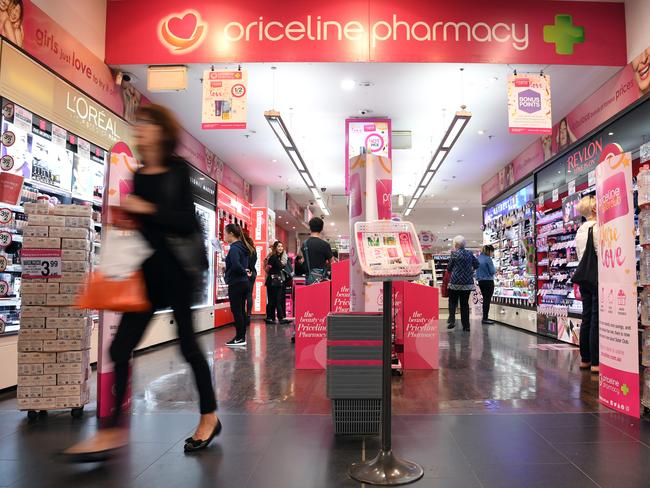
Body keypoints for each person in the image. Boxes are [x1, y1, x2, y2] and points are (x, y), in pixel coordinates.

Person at [63, 104, 219, 459]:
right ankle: (113, 432)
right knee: (119, 349)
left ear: (162, 131)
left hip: (180, 272)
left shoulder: (177, 170)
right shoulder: (142, 175)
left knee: (188, 347)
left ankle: (209, 417)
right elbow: (144, 231)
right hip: (147, 275)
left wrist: (146, 210)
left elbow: (186, 223)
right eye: (140, 125)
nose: (141, 130)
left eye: (147, 125)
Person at [575, 195, 599, 374]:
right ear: (593, 209)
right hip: (597, 276)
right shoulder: (597, 228)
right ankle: (597, 361)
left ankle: (585, 359)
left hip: (584, 277)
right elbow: (600, 252)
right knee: (596, 317)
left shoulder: (579, 231)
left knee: (587, 316)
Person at [224, 223, 253, 345]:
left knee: (237, 310)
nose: (224, 236)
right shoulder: (243, 247)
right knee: (241, 310)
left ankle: (240, 338)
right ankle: (241, 337)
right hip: (243, 282)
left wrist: (242, 271)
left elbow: (236, 265)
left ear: (231, 234)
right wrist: (245, 271)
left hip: (236, 283)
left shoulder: (235, 248)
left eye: (225, 233)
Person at [447, 235, 479, 332]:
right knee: (464, 304)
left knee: (452, 301)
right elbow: (477, 264)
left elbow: (449, 268)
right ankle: (466, 326)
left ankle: (452, 320)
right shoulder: (470, 253)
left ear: (456, 244)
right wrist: (470, 271)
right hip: (467, 283)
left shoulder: (454, 254)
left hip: (455, 282)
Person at [302, 217, 333, 285]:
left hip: (308, 279)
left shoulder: (304, 244)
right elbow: (332, 263)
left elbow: (303, 260)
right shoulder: (325, 244)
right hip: (321, 280)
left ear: (310, 228)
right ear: (321, 229)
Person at [266, 241, 290, 324]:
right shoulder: (273, 257)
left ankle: (278, 318)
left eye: (282, 246)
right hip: (273, 281)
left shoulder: (278, 257)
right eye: (279, 246)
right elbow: (268, 269)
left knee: (277, 300)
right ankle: (271, 318)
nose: (281, 248)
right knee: (273, 300)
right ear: (275, 248)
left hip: (277, 281)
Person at [477, 245, 496, 325]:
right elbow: (492, 271)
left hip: (481, 281)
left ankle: (484, 318)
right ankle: (485, 318)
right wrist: (496, 269)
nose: (492, 254)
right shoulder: (488, 259)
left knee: (485, 299)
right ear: (489, 251)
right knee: (487, 300)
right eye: (492, 252)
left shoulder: (478, 258)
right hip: (488, 281)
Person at [242, 232, 257, 326]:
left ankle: (243, 316)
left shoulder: (244, 250)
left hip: (245, 273)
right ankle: (248, 315)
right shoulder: (253, 251)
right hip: (252, 273)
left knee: (242, 296)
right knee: (249, 295)